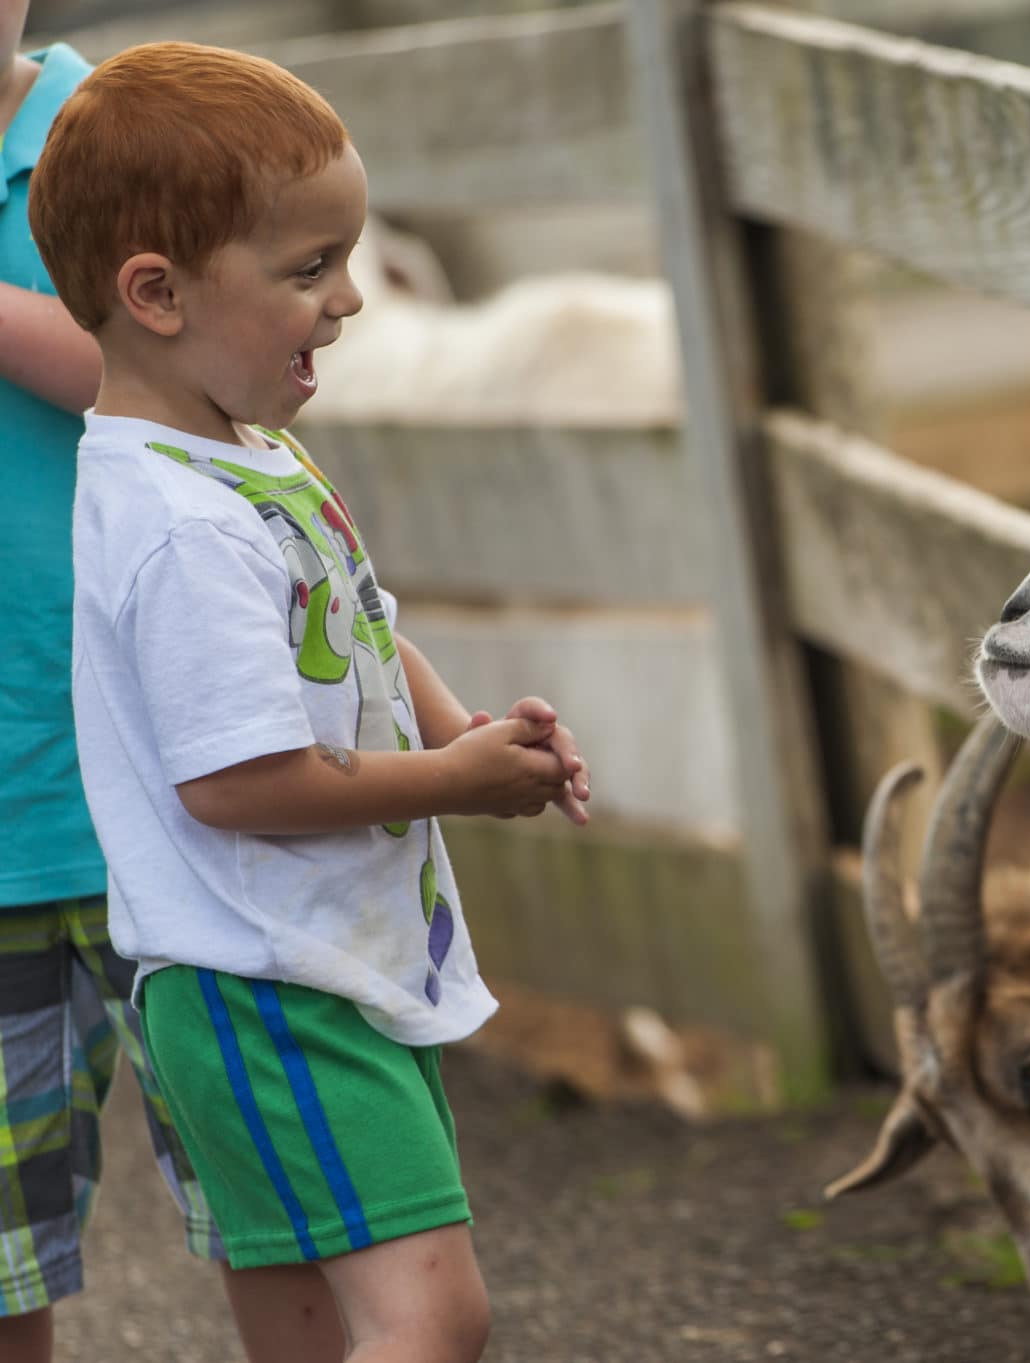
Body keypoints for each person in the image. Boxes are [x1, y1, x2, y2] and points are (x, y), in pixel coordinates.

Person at [32, 40, 593, 1363]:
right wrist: (458, 787)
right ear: (156, 294)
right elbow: (234, 783)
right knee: (431, 1319)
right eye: (307, 269)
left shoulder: (245, 452)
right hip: (271, 986)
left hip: (319, 964)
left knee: (305, 1330)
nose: (349, 300)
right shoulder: (180, 524)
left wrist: (463, 732)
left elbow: (357, 624)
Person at [0, 15, 251, 1362]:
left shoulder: (127, 140)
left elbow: (207, 367)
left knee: (280, 1204)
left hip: (177, 792)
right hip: (1, 808)